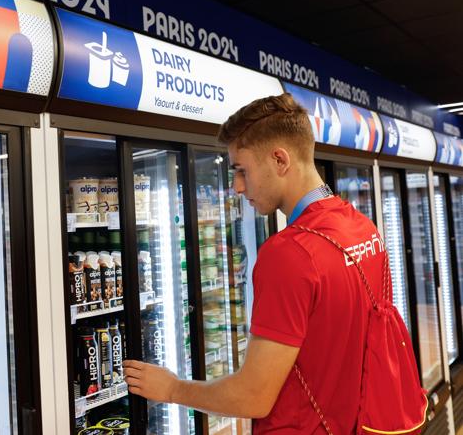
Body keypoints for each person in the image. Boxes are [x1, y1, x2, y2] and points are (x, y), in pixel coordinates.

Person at [123, 93, 389, 433]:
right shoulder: (363, 228)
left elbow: (253, 396)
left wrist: (172, 388)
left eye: (241, 170)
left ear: (280, 160)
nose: (235, 186)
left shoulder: (290, 253)